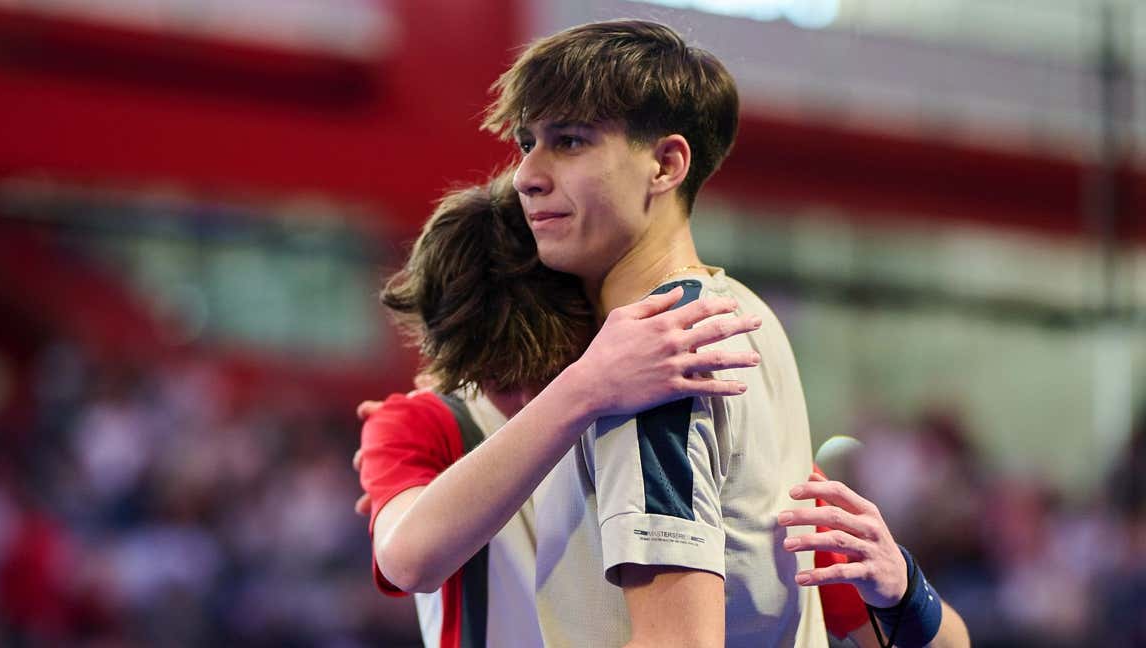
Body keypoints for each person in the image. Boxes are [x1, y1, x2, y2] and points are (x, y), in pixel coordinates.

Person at [366, 18, 970, 647]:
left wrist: (903, 588)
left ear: (666, 163)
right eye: (526, 144)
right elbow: (408, 558)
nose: (527, 174)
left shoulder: (649, 359)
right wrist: (907, 594)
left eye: (569, 141)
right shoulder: (742, 315)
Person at [358, 169, 880, 647]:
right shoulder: (426, 420)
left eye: (544, 369)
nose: (526, 399)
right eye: (498, 379)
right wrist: (583, 387)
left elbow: (895, 629)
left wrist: (908, 592)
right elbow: (408, 560)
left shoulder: (670, 415)